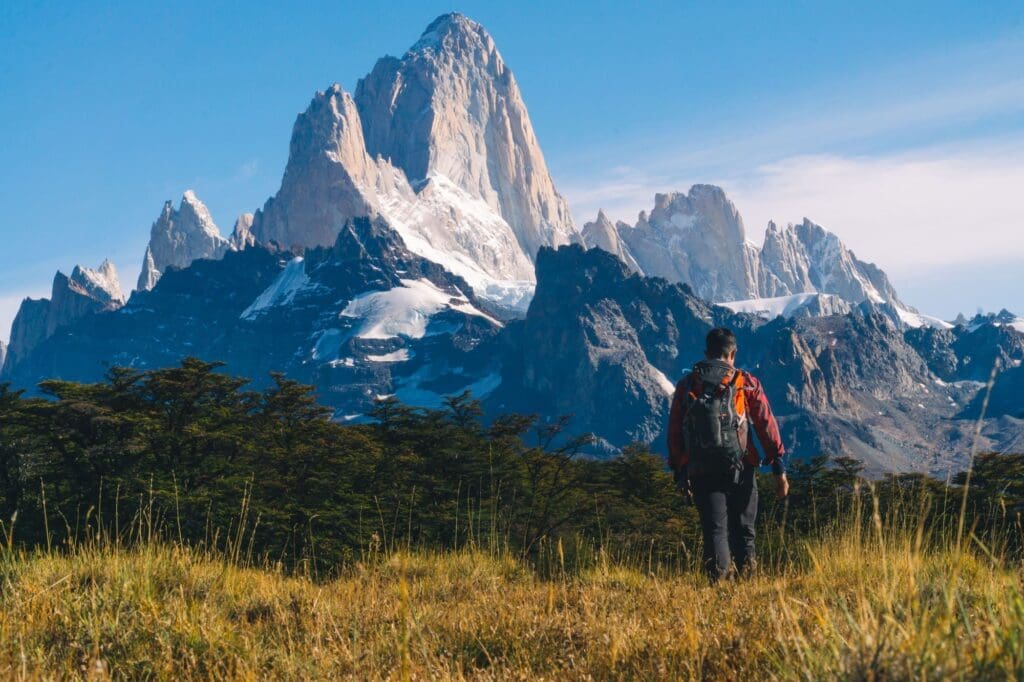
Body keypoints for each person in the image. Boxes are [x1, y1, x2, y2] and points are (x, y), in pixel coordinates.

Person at [667, 327, 789, 583]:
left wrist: (680, 468)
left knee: (715, 531)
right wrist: (778, 466)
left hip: (701, 469)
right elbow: (765, 424)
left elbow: (676, 430)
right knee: (744, 530)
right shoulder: (746, 382)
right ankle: (748, 585)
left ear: (706, 353)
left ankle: (719, 588)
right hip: (741, 466)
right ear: (733, 353)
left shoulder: (687, 384)